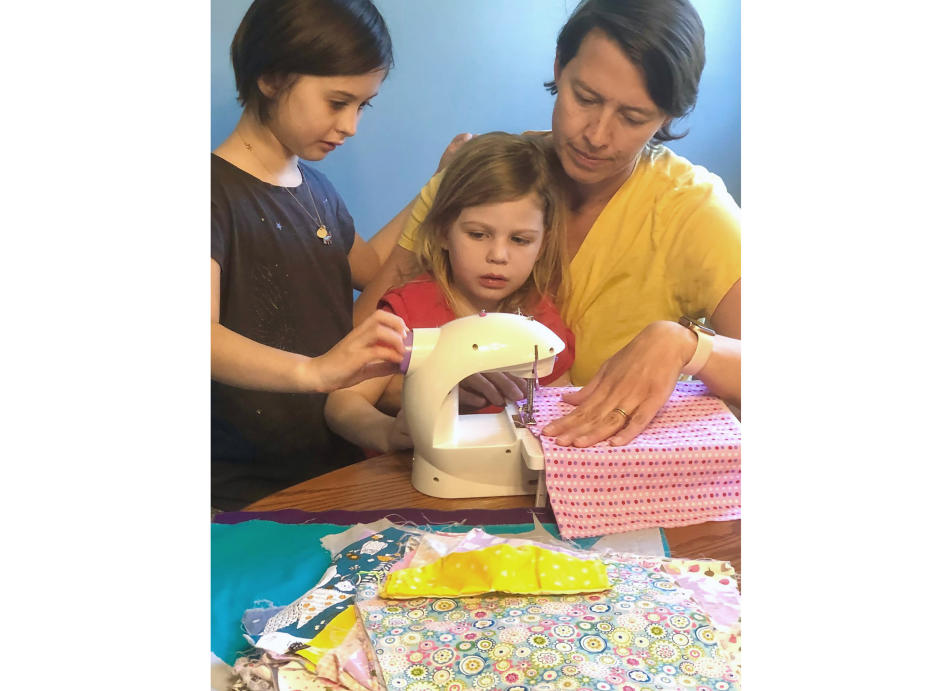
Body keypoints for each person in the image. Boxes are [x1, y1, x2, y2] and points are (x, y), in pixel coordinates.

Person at [356, 0, 741, 449]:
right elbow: (355, 357)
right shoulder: (480, 177)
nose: (597, 135)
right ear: (559, 66)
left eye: (633, 118)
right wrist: (435, 386)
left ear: (668, 116)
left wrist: (686, 346)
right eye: (586, 98)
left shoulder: (693, 210)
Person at [211, 0, 410, 510]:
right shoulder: (210, 193)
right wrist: (315, 372)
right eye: (337, 102)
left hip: (335, 473)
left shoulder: (317, 191)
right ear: (272, 77)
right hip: (244, 494)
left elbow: (377, 274)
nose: (350, 126)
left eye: (362, 106)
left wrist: (437, 192)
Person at [325, 133, 576, 453]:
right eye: (478, 234)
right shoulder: (406, 312)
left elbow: (559, 406)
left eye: (520, 240)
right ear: (443, 231)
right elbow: (343, 403)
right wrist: (386, 432)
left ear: (543, 243)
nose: (498, 255)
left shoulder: (541, 319)